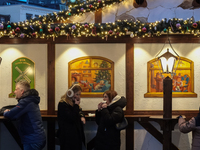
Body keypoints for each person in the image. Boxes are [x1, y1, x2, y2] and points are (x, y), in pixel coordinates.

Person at [3, 79, 46, 150]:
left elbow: (10, 115)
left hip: (32, 140)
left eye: (16, 89)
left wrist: (5, 112)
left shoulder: (26, 101)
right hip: (37, 138)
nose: (14, 91)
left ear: (22, 91)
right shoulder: (31, 100)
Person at [57, 84, 86, 150]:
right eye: (77, 94)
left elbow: (80, 111)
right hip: (67, 136)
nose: (78, 97)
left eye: (79, 94)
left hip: (76, 135)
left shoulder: (74, 103)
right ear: (71, 93)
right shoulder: (63, 104)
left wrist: (82, 116)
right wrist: (76, 106)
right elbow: (71, 117)